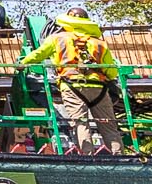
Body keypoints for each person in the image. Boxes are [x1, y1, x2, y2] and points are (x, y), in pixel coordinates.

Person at [18, 14, 125, 153]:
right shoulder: (99, 43)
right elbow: (111, 72)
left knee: (81, 124)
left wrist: (22, 64)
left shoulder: (57, 39)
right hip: (99, 88)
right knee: (108, 124)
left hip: (71, 86)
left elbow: (38, 55)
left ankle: (89, 158)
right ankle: (119, 157)